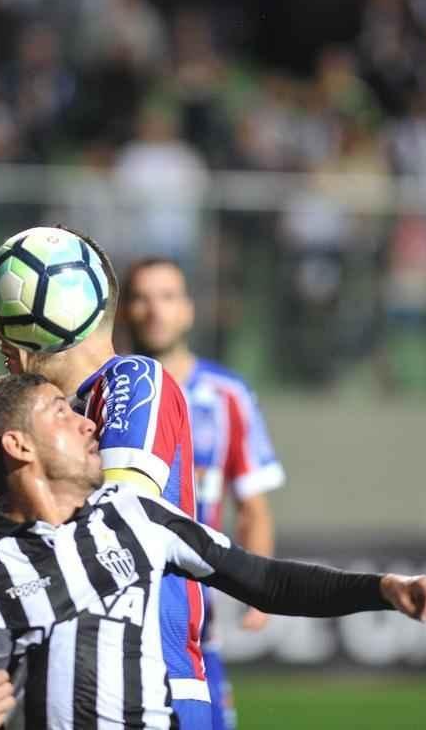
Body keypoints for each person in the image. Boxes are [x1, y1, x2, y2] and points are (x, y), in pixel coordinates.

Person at [0, 373, 426, 730]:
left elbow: (267, 581)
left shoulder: (135, 515)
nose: (87, 421)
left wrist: (384, 589)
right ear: (18, 445)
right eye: (61, 412)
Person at [0, 227, 213, 726]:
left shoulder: (131, 381)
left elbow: (117, 535)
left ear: (61, 311)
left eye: (9, 315)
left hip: (156, 687)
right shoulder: (62, 418)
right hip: (77, 693)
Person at [122, 258, 284, 730]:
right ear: (125, 311)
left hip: (193, 615)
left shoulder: (227, 395)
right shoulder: (109, 390)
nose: (155, 310)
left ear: (188, 310)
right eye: (142, 298)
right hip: (119, 604)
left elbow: (252, 506)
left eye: (168, 297)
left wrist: (258, 586)